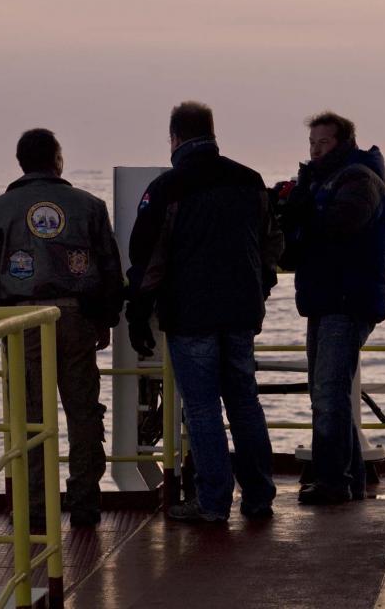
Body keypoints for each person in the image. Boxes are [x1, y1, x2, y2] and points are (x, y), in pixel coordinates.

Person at [126, 102, 283, 523]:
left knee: (203, 408)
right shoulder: (250, 180)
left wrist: (138, 316)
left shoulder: (167, 189)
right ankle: (259, 496)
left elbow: (147, 259)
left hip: (190, 315)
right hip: (241, 311)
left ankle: (213, 502)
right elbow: (271, 244)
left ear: (174, 138)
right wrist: (260, 288)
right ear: (212, 133)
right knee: (245, 403)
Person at [0, 128, 123, 527]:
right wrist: (105, 319)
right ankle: (85, 502)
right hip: (75, 320)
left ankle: (35, 508)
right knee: (83, 413)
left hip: (22, 322)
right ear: (58, 159)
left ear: (20, 162)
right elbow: (109, 270)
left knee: (30, 417)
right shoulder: (89, 206)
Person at [275, 111, 385, 506]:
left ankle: (333, 481)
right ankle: (349, 479)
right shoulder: (325, 181)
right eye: (311, 144)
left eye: (322, 144)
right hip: (327, 297)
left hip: (347, 298)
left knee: (328, 391)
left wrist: (298, 212)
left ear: (342, 143)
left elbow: (340, 226)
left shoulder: (360, 180)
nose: (315, 150)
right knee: (327, 391)